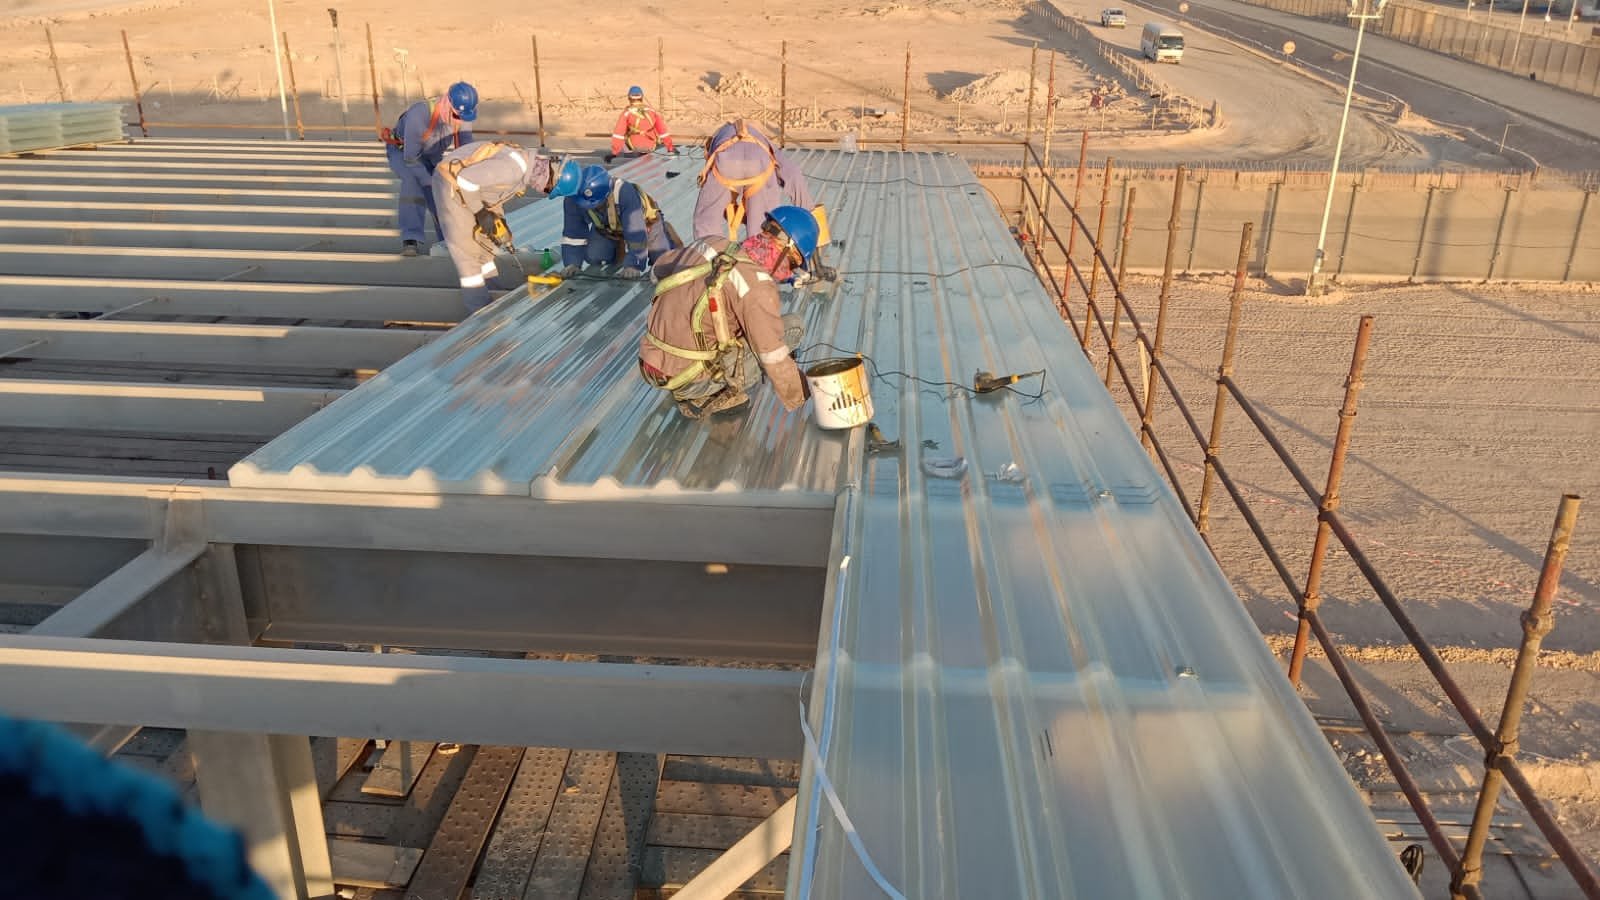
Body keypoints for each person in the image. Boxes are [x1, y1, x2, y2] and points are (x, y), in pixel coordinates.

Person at [639, 206, 821, 419]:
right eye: (793, 264)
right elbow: (771, 354)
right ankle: (704, 396)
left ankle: (691, 379)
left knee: (733, 319)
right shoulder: (758, 287)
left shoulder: (710, 242)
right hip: (688, 377)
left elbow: (658, 270)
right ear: (786, 249)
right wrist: (804, 395)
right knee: (793, 327)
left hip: (649, 361)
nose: (788, 272)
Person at [432, 141, 581, 313]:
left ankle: (493, 291)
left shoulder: (525, 168)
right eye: (549, 188)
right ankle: (479, 310)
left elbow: (492, 192)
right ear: (550, 174)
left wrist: (499, 219)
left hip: (473, 190)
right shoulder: (512, 169)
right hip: (451, 185)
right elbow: (466, 180)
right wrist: (481, 212)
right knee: (468, 254)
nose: (544, 190)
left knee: (487, 247)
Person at [384, 81, 478, 256]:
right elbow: (411, 158)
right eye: (457, 116)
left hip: (431, 156)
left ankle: (447, 240)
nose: (460, 121)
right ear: (448, 104)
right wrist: (429, 181)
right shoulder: (419, 114)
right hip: (404, 153)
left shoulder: (462, 115)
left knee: (443, 191)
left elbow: (465, 152)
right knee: (414, 182)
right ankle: (410, 239)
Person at [692, 118, 815, 243]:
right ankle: (759, 252)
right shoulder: (763, 140)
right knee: (763, 229)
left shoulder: (718, 140)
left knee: (706, 222)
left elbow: (714, 197)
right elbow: (793, 173)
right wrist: (809, 213)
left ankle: (710, 252)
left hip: (725, 163)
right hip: (760, 165)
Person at [559, 165, 681, 281]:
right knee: (594, 256)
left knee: (662, 264)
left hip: (646, 224)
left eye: (597, 204)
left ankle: (665, 233)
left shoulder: (624, 192)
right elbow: (573, 235)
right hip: (609, 228)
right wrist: (572, 263)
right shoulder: (574, 198)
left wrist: (633, 265)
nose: (593, 207)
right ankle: (619, 246)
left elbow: (636, 234)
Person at [607, 86, 677, 160]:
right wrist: (670, 148)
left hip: (633, 147)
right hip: (651, 147)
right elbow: (663, 131)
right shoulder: (652, 111)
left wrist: (614, 153)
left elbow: (618, 134)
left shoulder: (627, 113)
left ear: (629, 98)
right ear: (642, 97)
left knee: (625, 143)